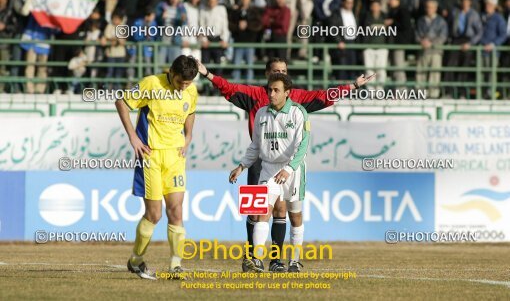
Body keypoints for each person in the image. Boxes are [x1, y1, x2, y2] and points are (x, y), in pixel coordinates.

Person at [197, 57, 374, 272]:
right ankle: (252, 257)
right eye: (276, 71)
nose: (280, 74)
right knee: (256, 211)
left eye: (284, 71)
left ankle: (276, 260)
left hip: (288, 165)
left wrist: (351, 86)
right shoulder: (255, 96)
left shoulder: (297, 100)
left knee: (281, 209)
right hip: (260, 161)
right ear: (267, 75)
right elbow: (228, 88)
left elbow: (323, 97)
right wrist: (207, 75)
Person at [116, 55, 199, 280]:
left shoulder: (191, 90)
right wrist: (133, 137)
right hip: (151, 156)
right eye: (181, 81)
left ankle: (175, 265)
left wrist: (188, 136)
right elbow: (122, 102)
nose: (184, 87)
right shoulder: (152, 83)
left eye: (188, 83)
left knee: (177, 210)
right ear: (171, 72)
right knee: (154, 215)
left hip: (175, 158)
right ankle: (135, 260)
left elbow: (190, 112)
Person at [229, 73, 309, 273]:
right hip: (269, 169)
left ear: (287, 93)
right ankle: (256, 259)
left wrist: (289, 169)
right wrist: (242, 166)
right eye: (269, 90)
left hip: (293, 168)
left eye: (276, 90)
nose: (271, 94)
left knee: (295, 215)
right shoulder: (262, 114)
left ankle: (294, 261)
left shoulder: (298, 113)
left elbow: (303, 146)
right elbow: (256, 146)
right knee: (262, 211)